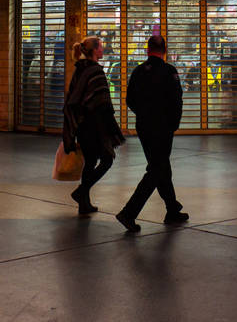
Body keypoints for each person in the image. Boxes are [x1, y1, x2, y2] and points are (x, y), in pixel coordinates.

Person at [116, 34, 187, 233]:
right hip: (163, 128)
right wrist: (172, 124)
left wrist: (143, 114)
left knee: (161, 166)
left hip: (144, 127)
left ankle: (172, 208)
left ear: (148, 50)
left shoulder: (139, 71)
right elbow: (177, 102)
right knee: (157, 169)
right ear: (165, 50)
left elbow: (130, 99)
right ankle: (128, 213)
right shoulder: (169, 71)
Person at [63, 36, 124, 215]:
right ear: (95, 50)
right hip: (95, 126)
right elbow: (103, 103)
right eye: (101, 47)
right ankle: (81, 192)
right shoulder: (96, 71)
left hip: (82, 126)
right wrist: (114, 128)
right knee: (107, 160)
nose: (103, 49)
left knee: (90, 162)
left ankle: (84, 204)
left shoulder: (79, 70)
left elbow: (72, 99)